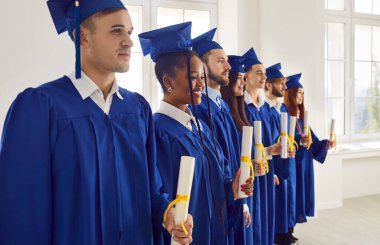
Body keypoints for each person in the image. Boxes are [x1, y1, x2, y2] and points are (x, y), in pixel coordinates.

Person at [0, 1, 192, 244]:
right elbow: (22, 213)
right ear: (83, 37)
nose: (129, 42)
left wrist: (168, 213)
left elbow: (151, 192)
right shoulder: (42, 107)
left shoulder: (137, 109)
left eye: (129, 32)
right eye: (116, 31)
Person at [190, 28, 252, 244]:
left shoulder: (222, 106)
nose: (228, 66)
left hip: (234, 193)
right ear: (202, 67)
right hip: (219, 199)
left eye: (227, 61)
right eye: (220, 61)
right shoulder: (198, 109)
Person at [284, 73, 334, 240]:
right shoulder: (284, 115)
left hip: (303, 165)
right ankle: (284, 232)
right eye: (299, 92)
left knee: (298, 196)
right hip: (292, 165)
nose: (302, 96)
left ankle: (290, 230)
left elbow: (313, 142)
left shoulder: (301, 117)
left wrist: (326, 143)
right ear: (290, 93)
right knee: (290, 196)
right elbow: (286, 139)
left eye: (303, 93)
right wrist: (300, 140)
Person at [242, 47, 282, 245]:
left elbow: (270, 141)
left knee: (265, 214)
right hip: (251, 170)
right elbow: (240, 146)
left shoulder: (265, 107)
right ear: (246, 76)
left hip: (266, 169)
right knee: (254, 215)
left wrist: (274, 152)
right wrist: (268, 151)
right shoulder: (241, 107)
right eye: (258, 72)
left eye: (265, 73)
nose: (263, 76)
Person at [220, 55, 252, 245]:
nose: (243, 82)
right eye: (239, 78)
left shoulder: (235, 112)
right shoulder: (221, 113)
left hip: (241, 184)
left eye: (243, 78)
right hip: (231, 188)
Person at [264, 63, 296, 245]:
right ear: (268, 85)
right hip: (271, 165)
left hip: (285, 164)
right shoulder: (263, 110)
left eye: (285, 83)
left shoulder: (282, 109)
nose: (285, 86)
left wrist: (292, 146)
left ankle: (285, 233)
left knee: (286, 200)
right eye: (280, 83)